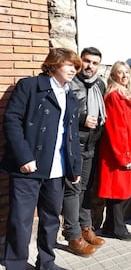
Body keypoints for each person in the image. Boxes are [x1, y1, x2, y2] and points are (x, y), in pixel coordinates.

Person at [1, 48, 82, 270]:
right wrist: (24, 156)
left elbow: (71, 135)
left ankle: (47, 263)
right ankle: (15, 264)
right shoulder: (30, 86)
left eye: (76, 66)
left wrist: (75, 167)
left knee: (51, 220)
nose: (74, 69)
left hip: (57, 169)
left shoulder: (70, 96)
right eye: (69, 65)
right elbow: (11, 121)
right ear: (54, 64)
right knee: (21, 220)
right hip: (28, 167)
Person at [61, 47, 105, 257]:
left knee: (86, 188)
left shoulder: (100, 84)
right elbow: (63, 111)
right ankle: (73, 235)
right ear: (81, 61)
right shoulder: (71, 83)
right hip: (74, 144)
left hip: (92, 144)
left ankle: (86, 228)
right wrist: (81, 119)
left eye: (95, 63)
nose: (90, 66)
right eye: (87, 61)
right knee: (72, 190)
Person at [98, 61, 131, 241]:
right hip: (117, 151)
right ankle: (118, 227)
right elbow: (116, 127)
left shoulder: (127, 95)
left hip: (127, 147)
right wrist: (123, 155)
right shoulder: (114, 95)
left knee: (122, 189)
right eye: (120, 72)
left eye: (126, 72)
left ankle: (110, 225)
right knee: (118, 191)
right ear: (113, 75)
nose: (124, 76)